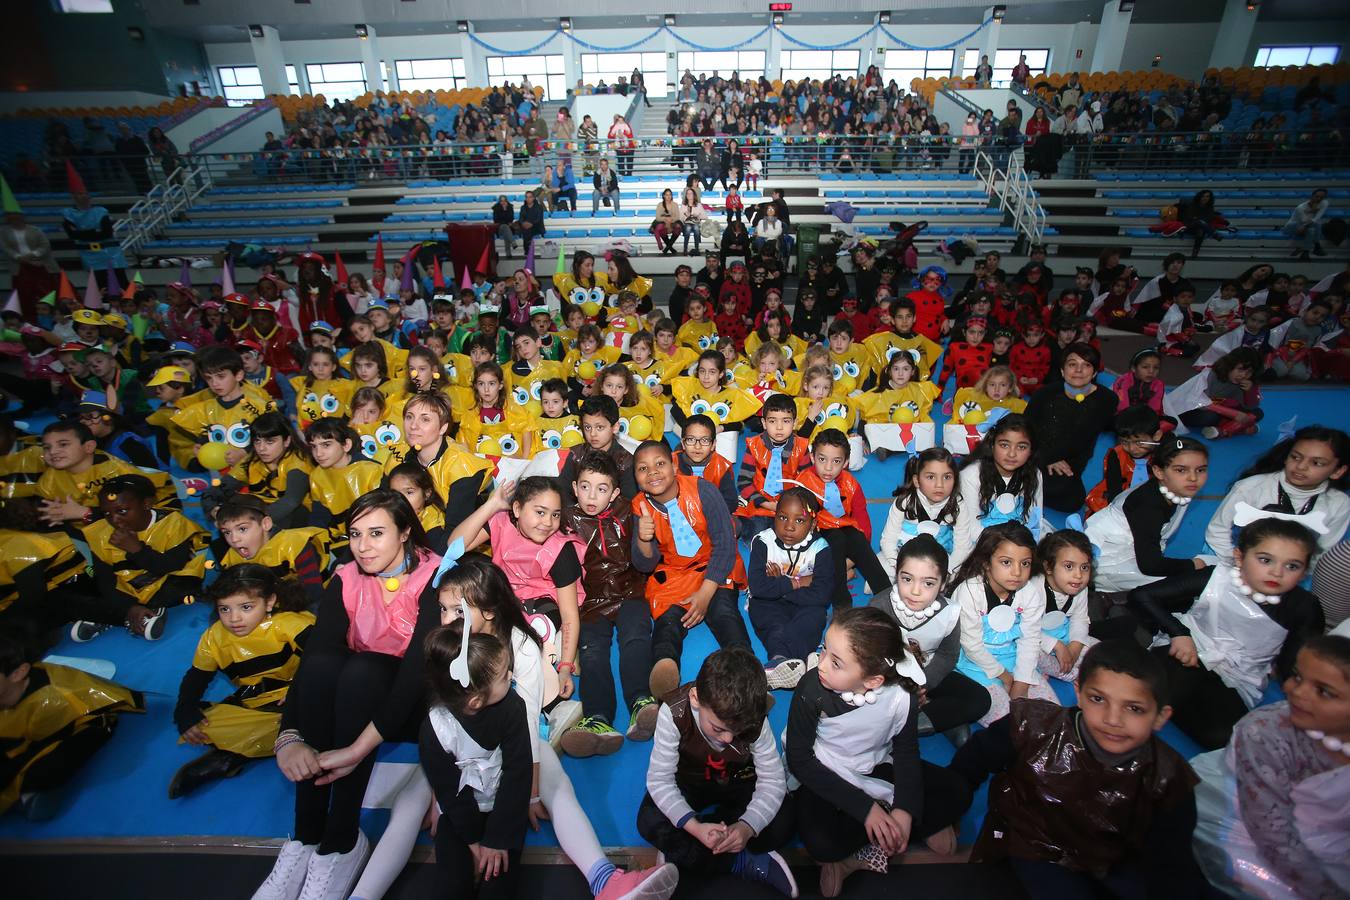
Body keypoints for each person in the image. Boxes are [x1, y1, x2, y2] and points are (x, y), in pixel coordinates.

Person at [435, 553, 677, 900]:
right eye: (443, 609)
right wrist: (439, 798)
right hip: (459, 751)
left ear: (488, 610)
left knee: (557, 786)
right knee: (415, 800)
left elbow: (528, 724)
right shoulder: (446, 646)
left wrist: (531, 793)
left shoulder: (520, 646)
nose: (447, 620)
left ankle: (605, 880)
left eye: (458, 611)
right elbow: (437, 726)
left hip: (517, 744)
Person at [251, 490, 444, 900]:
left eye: (376, 533)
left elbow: (415, 674)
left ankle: (341, 842)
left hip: (416, 702)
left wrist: (357, 749)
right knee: (324, 664)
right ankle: (305, 838)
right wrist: (290, 737)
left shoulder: (436, 577)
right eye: (356, 534)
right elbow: (316, 657)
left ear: (406, 531)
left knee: (361, 671)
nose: (363, 546)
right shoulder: (347, 576)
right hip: (358, 697)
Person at [947, 641, 1207, 898]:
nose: (1112, 719)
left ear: (1160, 716)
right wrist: (947, 813)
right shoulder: (1031, 726)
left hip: (1115, 861)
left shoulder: (1168, 777)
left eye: (1134, 708)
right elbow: (971, 761)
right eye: (1098, 699)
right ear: (1079, 693)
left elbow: (1173, 862)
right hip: (1033, 846)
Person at [786, 606, 968, 898]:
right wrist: (865, 808)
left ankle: (879, 838)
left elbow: (906, 751)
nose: (821, 665)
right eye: (824, 651)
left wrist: (906, 810)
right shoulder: (811, 689)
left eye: (836, 663)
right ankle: (883, 835)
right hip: (827, 768)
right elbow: (800, 759)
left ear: (873, 681)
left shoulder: (901, 693)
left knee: (958, 791)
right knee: (820, 842)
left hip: (877, 762)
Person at [1128, 513, 1327, 750]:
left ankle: (1162, 706)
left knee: (1226, 739)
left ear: (1304, 572)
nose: (1277, 572)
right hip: (1187, 653)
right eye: (1265, 560)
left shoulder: (1305, 607)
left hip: (1236, 680)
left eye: (1292, 566)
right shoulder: (1218, 578)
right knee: (1168, 683)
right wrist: (1179, 632)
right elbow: (1142, 595)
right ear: (1239, 557)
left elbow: (1291, 663)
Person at [1191, 633, 1350, 899]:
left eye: (1323, 692)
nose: (1296, 692)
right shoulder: (1265, 732)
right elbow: (1273, 834)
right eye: (1297, 676)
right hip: (1249, 835)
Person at [637, 647, 798, 897]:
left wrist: (746, 827)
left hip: (738, 782)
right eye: (718, 728)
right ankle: (740, 861)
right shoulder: (674, 711)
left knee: (786, 817)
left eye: (738, 730)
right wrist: (694, 827)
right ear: (695, 699)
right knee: (648, 820)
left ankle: (694, 852)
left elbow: (773, 782)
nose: (729, 738)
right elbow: (660, 780)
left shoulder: (754, 717)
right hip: (690, 783)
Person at [170, 564, 314, 799]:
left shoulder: (291, 624)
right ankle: (262, 742)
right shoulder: (214, 636)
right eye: (224, 609)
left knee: (322, 712)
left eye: (246, 607)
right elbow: (196, 677)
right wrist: (184, 709)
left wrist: (301, 686)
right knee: (204, 724)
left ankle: (232, 755)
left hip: (303, 696)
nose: (234, 618)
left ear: (269, 602)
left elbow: (325, 655)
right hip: (258, 706)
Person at [417, 621, 532, 899]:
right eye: (505, 676)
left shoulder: (512, 707)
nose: (512, 676)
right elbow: (448, 790)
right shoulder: (436, 728)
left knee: (497, 885)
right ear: (476, 701)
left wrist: (498, 839)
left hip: (504, 810)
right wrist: (473, 841)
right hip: (460, 815)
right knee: (452, 885)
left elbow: (518, 772)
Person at [447, 477, 585, 708]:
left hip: (545, 605)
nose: (548, 522)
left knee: (524, 637)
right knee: (476, 623)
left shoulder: (561, 550)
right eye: (540, 512)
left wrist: (565, 668)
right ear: (518, 508)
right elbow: (454, 545)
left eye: (555, 514)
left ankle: (551, 705)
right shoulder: (502, 522)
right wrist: (490, 506)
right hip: (507, 597)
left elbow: (570, 613)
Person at [631, 440, 751, 698]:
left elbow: (726, 545)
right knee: (668, 622)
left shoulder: (703, 490)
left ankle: (749, 678)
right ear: (636, 478)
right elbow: (645, 564)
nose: (652, 472)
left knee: (724, 613)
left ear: (675, 465)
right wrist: (643, 538)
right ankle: (665, 668)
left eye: (660, 464)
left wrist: (705, 594)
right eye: (643, 468)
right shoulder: (640, 507)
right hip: (674, 573)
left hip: (714, 565)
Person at [559, 452, 658, 758]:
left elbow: (648, 557)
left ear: (615, 492)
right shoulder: (566, 518)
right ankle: (597, 718)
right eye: (586, 487)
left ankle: (641, 701)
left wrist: (645, 538)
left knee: (637, 637)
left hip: (629, 590)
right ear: (575, 487)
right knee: (592, 651)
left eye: (602, 489)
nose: (592, 495)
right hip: (591, 599)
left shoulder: (630, 512)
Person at [0, 624, 144, 821]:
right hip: (27, 741)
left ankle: (29, 795)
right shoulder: (9, 693)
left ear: (18, 673)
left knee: (46, 769)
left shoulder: (55, 700)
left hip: (81, 728)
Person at [868, 534, 989, 744]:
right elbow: (872, 656)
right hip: (890, 678)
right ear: (896, 575)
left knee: (980, 699)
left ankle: (916, 724)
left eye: (928, 583)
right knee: (871, 697)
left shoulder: (949, 612)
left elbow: (948, 654)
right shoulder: (878, 607)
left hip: (926, 674)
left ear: (943, 583)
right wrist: (904, 686)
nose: (915, 591)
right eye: (907, 579)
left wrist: (923, 685)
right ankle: (941, 719)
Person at [73, 475, 208, 643]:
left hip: (166, 577)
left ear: (146, 504)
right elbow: (105, 577)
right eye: (106, 513)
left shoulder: (173, 523)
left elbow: (172, 565)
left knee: (183, 586)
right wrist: (129, 606)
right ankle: (126, 613)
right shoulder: (99, 533)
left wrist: (137, 550)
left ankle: (140, 610)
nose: (114, 520)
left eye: (122, 511)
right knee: (88, 582)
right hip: (129, 583)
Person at [1206, 425, 1349, 564]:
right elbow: (1218, 531)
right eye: (1296, 457)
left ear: (1338, 471)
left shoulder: (1340, 504)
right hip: (1233, 558)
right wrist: (1242, 565)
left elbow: (1323, 551)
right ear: (1286, 457)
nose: (1301, 466)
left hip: (1293, 572)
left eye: (1317, 463)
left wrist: (1294, 573)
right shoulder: (1250, 488)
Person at [1086, 437, 1210, 595]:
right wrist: (1191, 565)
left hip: (1137, 549)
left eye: (1200, 470)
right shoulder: (1149, 506)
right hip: (1105, 563)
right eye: (1181, 470)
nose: (1193, 478)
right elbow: (1149, 565)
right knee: (1183, 585)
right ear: (1158, 471)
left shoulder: (1174, 488)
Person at [747, 486, 834, 691]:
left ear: (812, 525)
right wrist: (797, 582)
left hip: (803, 602)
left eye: (799, 520)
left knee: (812, 618)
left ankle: (792, 662)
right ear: (774, 517)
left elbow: (822, 594)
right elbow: (758, 588)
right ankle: (784, 660)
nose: (789, 527)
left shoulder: (821, 549)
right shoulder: (763, 542)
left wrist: (778, 587)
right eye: (783, 517)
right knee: (772, 623)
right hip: (770, 602)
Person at [796, 428, 892, 608]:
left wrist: (855, 558)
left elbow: (863, 520)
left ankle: (887, 595)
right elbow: (798, 523)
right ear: (812, 457)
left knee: (855, 536)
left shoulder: (851, 483)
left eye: (836, 461)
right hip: (815, 536)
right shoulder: (804, 482)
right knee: (836, 538)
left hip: (843, 529)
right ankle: (842, 604)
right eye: (822, 459)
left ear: (846, 462)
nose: (828, 467)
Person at [1023, 342, 1118, 512]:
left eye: (1086, 365)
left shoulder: (1106, 399)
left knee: (1069, 500)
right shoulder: (1044, 394)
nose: (1078, 370)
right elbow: (1026, 430)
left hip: (1070, 463)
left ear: (1095, 372)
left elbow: (1082, 439)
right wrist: (1046, 457)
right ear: (1062, 370)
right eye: (1072, 364)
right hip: (1036, 454)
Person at [950, 414, 1047, 569]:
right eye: (1004, 445)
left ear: (1031, 450)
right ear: (992, 444)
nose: (1012, 454)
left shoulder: (1035, 475)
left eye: (1021, 447)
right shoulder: (971, 475)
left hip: (1020, 546)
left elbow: (1034, 520)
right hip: (979, 544)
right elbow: (970, 528)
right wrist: (1006, 548)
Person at [879, 448, 960, 571]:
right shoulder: (905, 501)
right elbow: (888, 540)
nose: (939, 484)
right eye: (931, 477)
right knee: (880, 570)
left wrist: (947, 570)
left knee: (965, 573)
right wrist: (899, 565)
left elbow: (963, 545)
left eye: (947, 477)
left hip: (940, 559)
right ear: (917, 481)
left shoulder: (957, 503)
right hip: (904, 555)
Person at [1163, 346, 1264, 439]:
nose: (1243, 375)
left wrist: (1250, 391)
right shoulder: (1210, 375)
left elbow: (1250, 407)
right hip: (1191, 410)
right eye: (1240, 370)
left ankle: (1223, 430)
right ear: (1230, 365)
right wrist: (1233, 414)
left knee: (1257, 412)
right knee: (1210, 417)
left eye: (1249, 372)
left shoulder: (1245, 382)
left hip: (1220, 408)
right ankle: (1236, 427)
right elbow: (1197, 402)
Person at [1283, 188, 1329, 261]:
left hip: (1306, 226)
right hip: (1292, 226)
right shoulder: (1301, 207)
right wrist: (1312, 211)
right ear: (1312, 196)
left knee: (1312, 229)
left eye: (1322, 197)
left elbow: (1317, 217)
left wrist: (1305, 225)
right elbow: (1304, 220)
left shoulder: (1324, 203)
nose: (1319, 199)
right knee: (1315, 225)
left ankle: (1306, 252)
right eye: (1317, 196)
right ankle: (1317, 246)